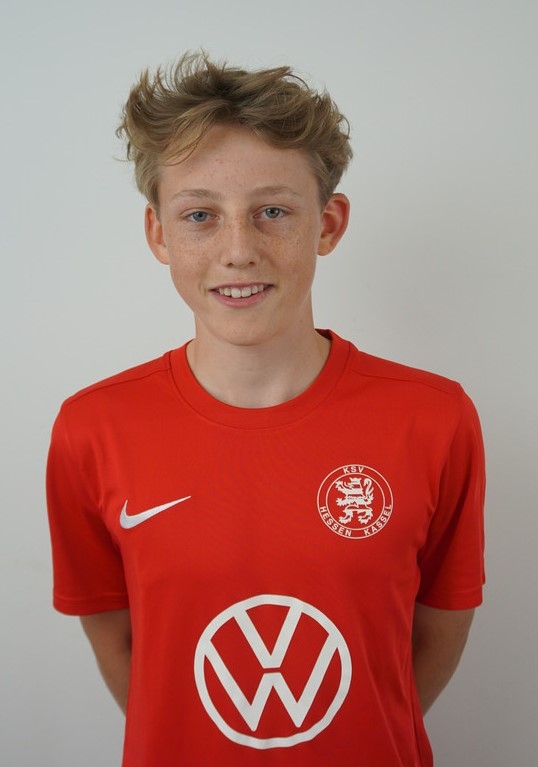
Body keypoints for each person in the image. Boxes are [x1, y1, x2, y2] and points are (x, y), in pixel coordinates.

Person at [46, 52, 485, 766]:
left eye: (273, 211)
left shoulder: (434, 419)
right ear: (159, 234)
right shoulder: (92, 430)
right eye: (200, 216)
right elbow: (120, 642)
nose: (238, 251)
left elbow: (435, 633)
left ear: (329, 224)